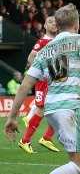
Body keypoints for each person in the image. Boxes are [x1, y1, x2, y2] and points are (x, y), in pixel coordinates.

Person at [4, 4, 80, 174]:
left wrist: (12, 117)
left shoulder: (46, 49)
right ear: (76, 23)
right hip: (69, 107)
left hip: (51, 109)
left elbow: (25, 85)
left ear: (57, 25)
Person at [19, 16, 60, 154]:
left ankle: (47, 137)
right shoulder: (43, 41)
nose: (53, 24)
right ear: (45, 26)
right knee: (41, 110)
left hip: (56, 81)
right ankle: (25, 140)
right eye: (50, 22)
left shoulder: (58, 41)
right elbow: (31, 57)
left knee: (60, 109)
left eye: (55, 22)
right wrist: (40, 73)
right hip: (45, 82)